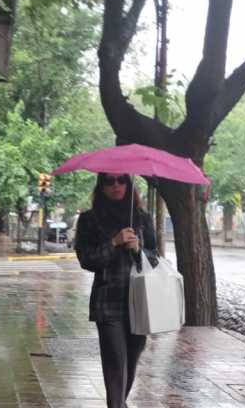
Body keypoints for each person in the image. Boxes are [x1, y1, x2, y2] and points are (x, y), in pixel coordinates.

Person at [74, 173, 157, 408]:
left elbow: (155, 258)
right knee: (114, 363)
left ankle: (119, 403)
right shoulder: (89, 220)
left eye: (121, 180)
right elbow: (87, 259)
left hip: (140, 302)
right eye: (109, 181)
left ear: (129, 185)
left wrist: (139, 249)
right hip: (108, 302)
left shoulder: (141, 218)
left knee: (130, 362)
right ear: (101, 187)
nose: (116, 186)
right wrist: (113, 243)